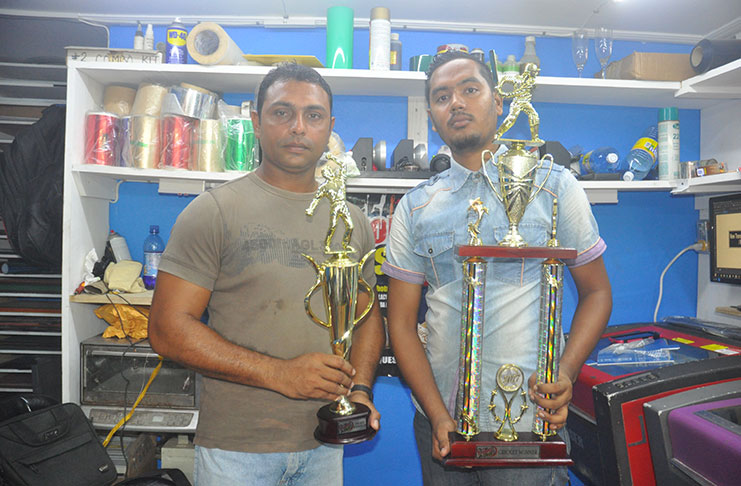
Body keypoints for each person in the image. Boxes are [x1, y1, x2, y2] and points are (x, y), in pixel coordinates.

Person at [148, 63, 384, 486]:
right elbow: (167, 330)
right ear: (256, 122)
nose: (298, 127)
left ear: (329, 127)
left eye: (313, 116)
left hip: (325, 446)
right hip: (237, 450)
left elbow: (366, 319)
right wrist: (280, 374)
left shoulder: (353, 221)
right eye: (281, 112)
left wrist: (362, 390)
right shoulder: (214, 212)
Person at [382, 50, 612, 485]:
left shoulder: (555, 187)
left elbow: (597, 293)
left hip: (529, 422)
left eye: (470, 89)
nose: (457, 103)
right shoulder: (415, 208)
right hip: (441, 421)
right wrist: (434, 413)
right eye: (442, 96)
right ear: (432, 116)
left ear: (499, 102)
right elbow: (401, 323)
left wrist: (565, 373)